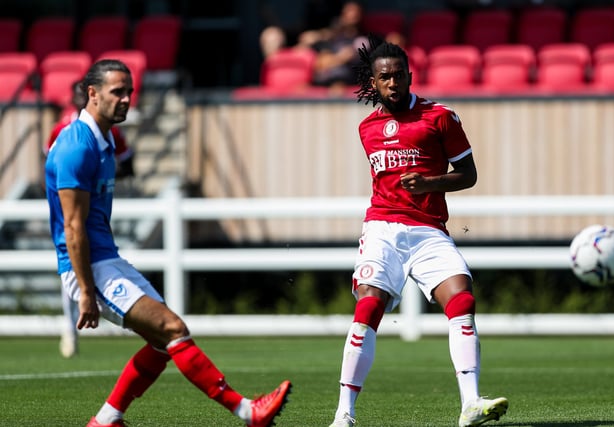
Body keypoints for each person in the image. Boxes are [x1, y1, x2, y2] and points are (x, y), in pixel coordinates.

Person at [45, 59, 292, 427]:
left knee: (164, 342)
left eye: (130, 91)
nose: (127, 99)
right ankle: (247, 411)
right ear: (92, 93)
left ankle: (106, 420)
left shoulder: (106, 137)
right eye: (118, 92)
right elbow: (73, 228)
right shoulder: (76, 147)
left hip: (104, 260)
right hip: (91, 269)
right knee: (173, 330)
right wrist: (84, 292)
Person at [328, 37, 508, 427]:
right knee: (369, 305)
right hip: (382, 228)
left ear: (410, 76)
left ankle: (471, 403)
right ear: (373, 83)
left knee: (461, 298)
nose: (392, 83)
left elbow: (469, 174)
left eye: (398, 75)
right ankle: (344, 414)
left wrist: (428, 183)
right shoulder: (367, 128)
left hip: (427, 229)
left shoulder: (441, 117)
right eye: (384, 77)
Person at [46, 80, 136, 358]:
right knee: (73, 263)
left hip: (99, 205)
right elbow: (52, 168)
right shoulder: (64, 130)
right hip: (72, 206)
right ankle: (70, 327)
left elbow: (129, 164)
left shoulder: (110, 132)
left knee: (89, 261)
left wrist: (102, 177)